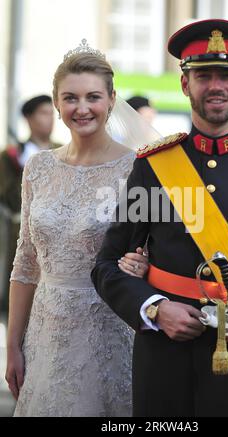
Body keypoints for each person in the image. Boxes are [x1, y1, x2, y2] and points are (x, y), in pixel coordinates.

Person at [92, 19, 228, 417]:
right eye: (204, 75)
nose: (216, 85)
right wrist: (153, 308)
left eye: (227, 75)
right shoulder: (155, 166)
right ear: (186, 84)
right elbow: (106, 265)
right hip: (162, 362)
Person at [5, 40, 149, 417]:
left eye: (93, 97)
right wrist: (13, 345)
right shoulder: (37, 167)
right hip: (45, 331)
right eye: (70, 97)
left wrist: (143, 265)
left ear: (112, 100)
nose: (81, 108)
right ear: (56, 102)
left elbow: (154, 251)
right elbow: (25, 263)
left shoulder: (137, 169)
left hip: (109, 329)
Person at [0, 95, 61, 318]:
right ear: (29, 118)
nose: (49, 119)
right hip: (22, 234)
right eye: (43, 113)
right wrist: (24, 169)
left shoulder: (63, 151)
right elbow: (10, 199)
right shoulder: (10, 156)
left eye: (51, 113)